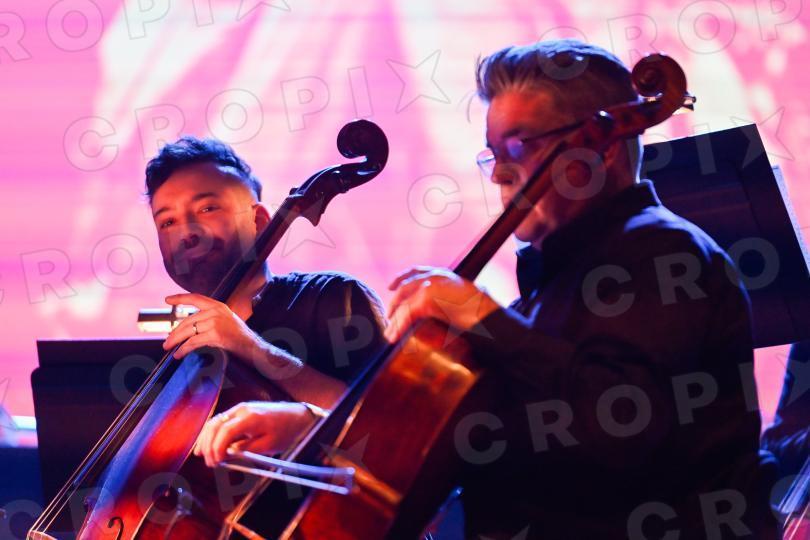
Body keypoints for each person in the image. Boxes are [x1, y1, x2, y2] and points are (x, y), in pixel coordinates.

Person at [382, 40, 778, 539]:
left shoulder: (664, 254)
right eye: (494, 154)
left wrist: (484, 318)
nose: (500, 173)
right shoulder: (548, 286)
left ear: (602, 149)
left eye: (519, 148)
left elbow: (620, 427)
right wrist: (324, 432)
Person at [145, 136, 386, 494]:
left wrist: (248, 345)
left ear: (259, 221)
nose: (187, 233)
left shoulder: (334, 298)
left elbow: (390, 433)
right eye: (167, 222)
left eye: (207, 208)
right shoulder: (179, 358)